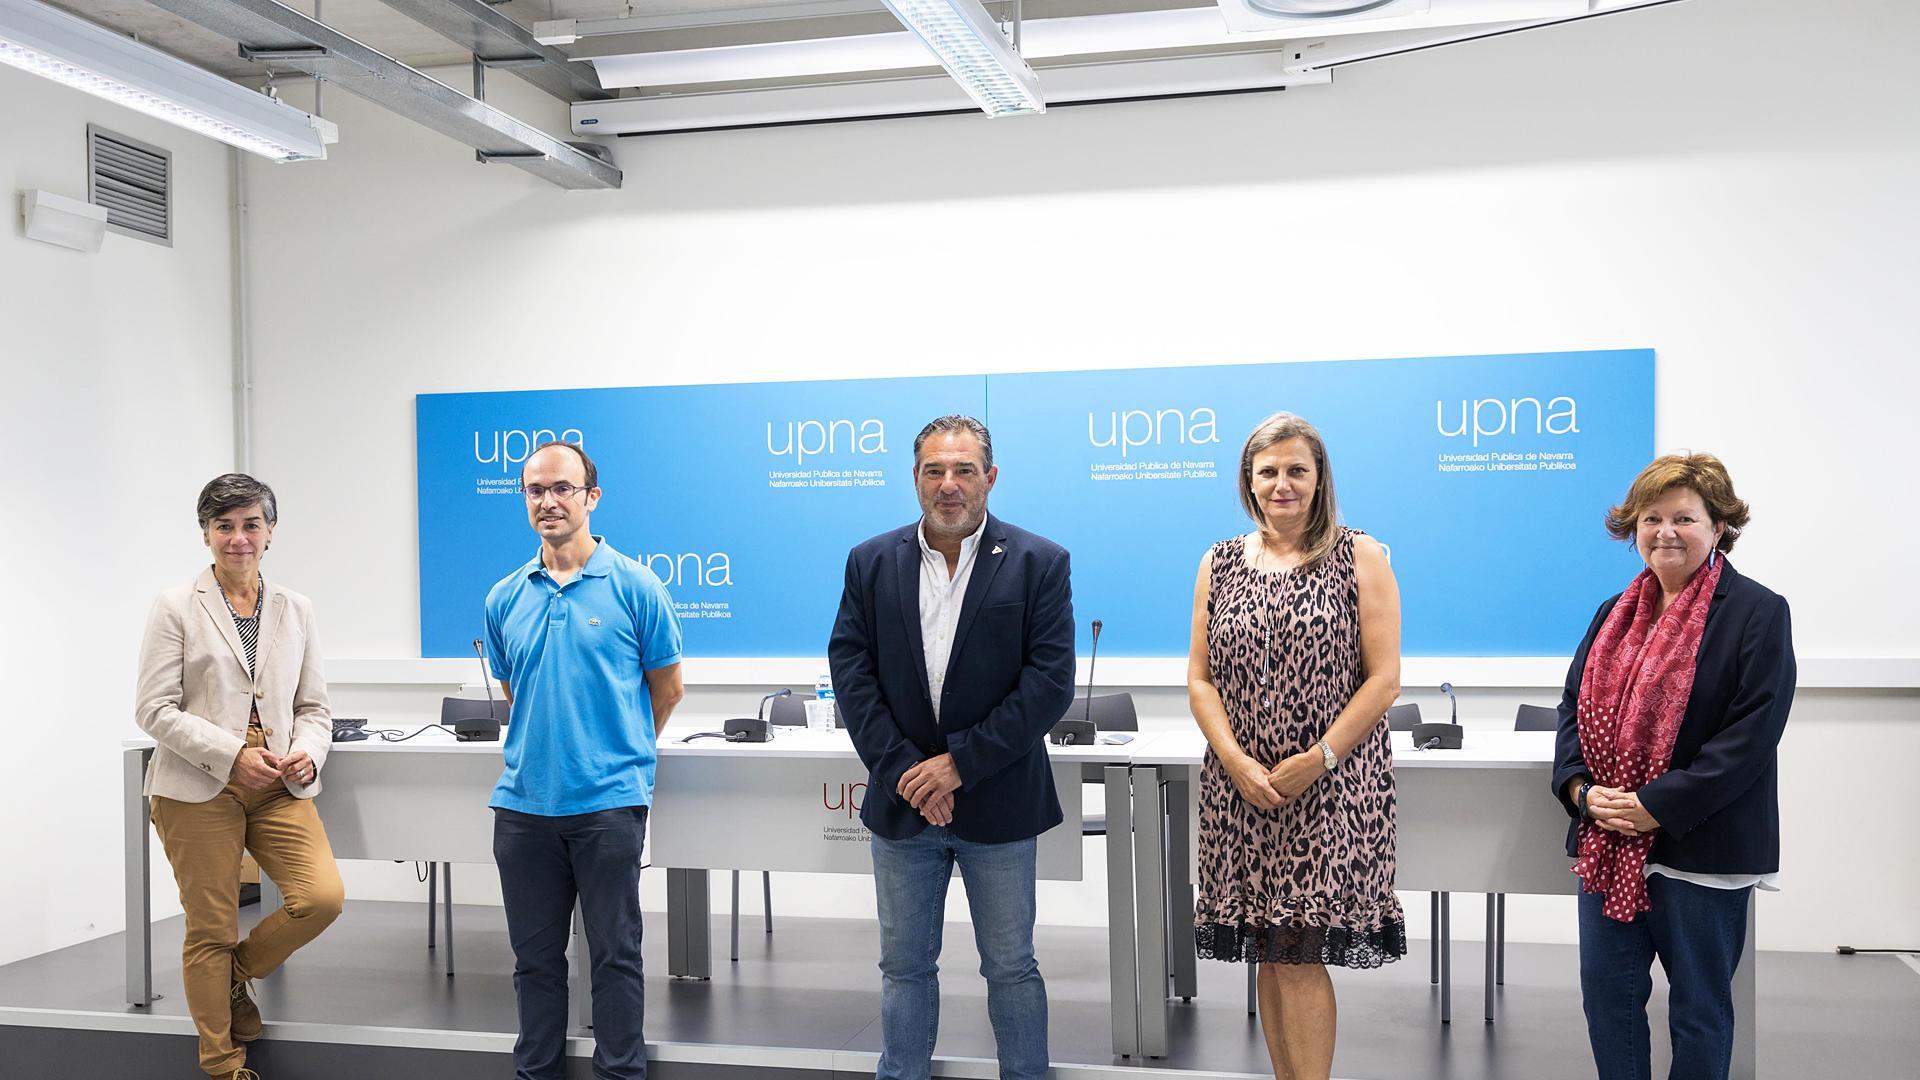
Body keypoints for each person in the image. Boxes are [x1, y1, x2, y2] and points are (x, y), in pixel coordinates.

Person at [828, 414, 1076, 1080]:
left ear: (989, 478)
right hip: (904, 805)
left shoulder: (1038, 562)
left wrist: (959, 765)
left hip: (998, 803)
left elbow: (1049, 684)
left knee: (1011, 967)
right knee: (903, 968)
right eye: (935, 470)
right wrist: (908, 770)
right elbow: (851, 672)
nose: (949, 484)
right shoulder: (871, 561)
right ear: (915, 478)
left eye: (964, 469)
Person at [1551, 452, 1793, 1080]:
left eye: (1684, 518)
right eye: (1651, 518)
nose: (1665, 532)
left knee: (1700, 1010)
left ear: (1719, 527)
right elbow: (1572, 710)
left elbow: (1750, 736)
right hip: (1608, 843)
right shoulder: (1612, 613)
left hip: (1701, 845)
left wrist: (1657, 803)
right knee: (1608, 1001)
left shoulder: (1758, 613)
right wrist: (1581, 791)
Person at [1188, 412, 1406, 1080]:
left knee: (1297, 954)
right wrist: (1234, 760)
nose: (1281, 485)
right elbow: (1199, 678)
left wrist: (1319, 759)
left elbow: (1385, 679)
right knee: (1268, 947)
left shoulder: (1358, 555)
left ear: (1319, 479)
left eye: (1296, 471)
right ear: (1248, 482)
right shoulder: (1219, 561)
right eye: (1268, 472)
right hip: (1241, 790)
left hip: (1330, 791)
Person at [483, 440, 684, 1080]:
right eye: (535, 490)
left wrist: (616, 754)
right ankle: (535, 1072)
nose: (548, 501)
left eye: (562, 488)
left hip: (608, 806)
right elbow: (517, 692)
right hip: (523, 809)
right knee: (534, 962)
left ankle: (621, 1073)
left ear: (590, 497)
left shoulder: (636, 586)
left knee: (616, 955)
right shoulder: (503, 598)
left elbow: (667, 688)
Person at [134, 473, 345, 1080]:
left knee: (321, 898)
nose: (238, 538)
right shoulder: (176, 606)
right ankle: (223, 1064)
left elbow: (314, 708)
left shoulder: (295, 608)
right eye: (224, 526)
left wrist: (309, 751)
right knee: (211, 926)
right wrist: (230, 754)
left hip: (278, 781)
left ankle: (231, 974)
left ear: (270, 532)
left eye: (250, 524)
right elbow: (153, 709)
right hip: (199, 784)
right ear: (206, 535)